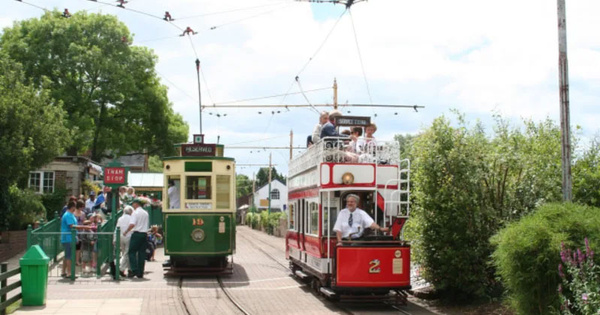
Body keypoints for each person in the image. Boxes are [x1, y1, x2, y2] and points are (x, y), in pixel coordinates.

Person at [123, 199, 149, 278]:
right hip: (144, 234)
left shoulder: (135, 213)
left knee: (132, 252)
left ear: (136, 204)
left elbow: (132, 224)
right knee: (142, 253)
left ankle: (134, 270)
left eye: (133, 204)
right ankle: (141, 272)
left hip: (137, 233)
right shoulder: (145, 213)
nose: (133, 206)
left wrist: (126, 231)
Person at [60, 201, 85, 278]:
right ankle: (69, 273)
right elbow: (71, 226)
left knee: (67, 255)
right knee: (69, 256)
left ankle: (63, 271)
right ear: (73, 207)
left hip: (71, 237)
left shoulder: (71, 215)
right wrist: (84, 227)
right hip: (68, 238)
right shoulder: (68, 215)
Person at [116, 206, 133, 277]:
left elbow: (117, 228)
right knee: (127, 253)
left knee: (125, 253)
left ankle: (129, 270)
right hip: (128, 236)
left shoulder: (120, 218)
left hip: (121, 236)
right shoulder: (131, 218)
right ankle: (121, 268)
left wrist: (115, 238)